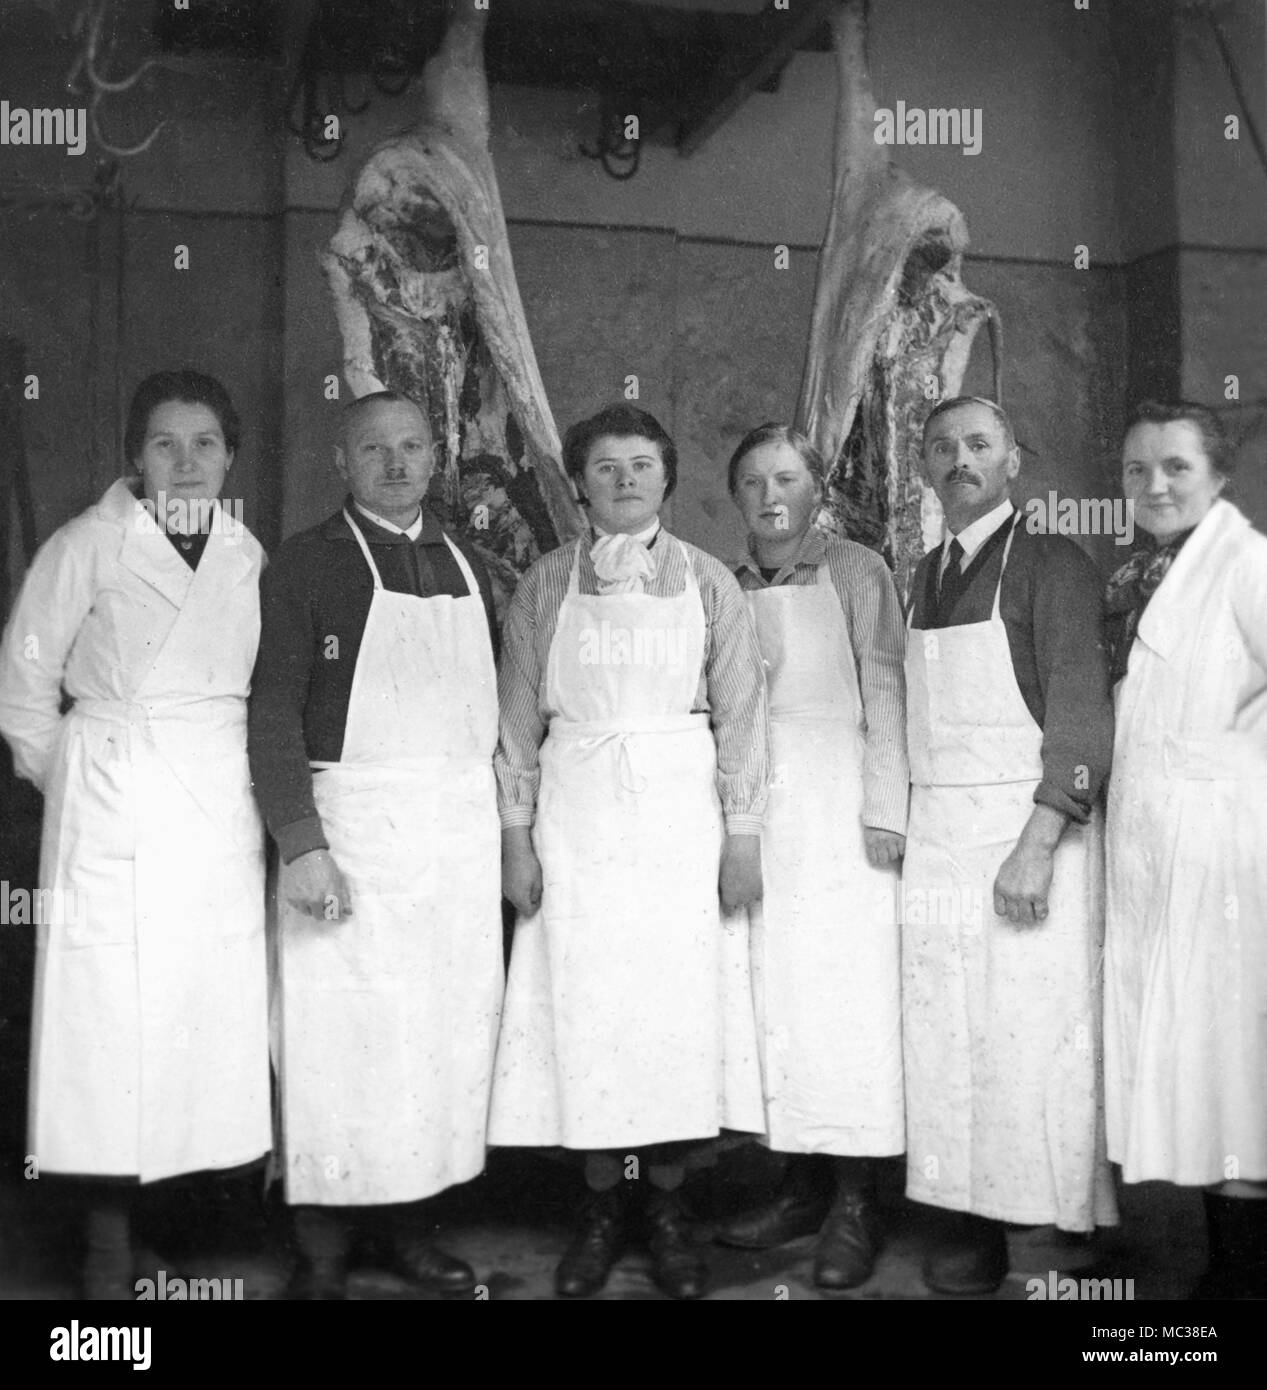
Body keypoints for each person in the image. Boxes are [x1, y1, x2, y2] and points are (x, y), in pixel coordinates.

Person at [0, 369, 270, 1299]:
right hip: (112, 796)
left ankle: (154, 1229)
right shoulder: (87, 545)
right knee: (107, 1025)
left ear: (230, 454)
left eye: (205, 443)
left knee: (191, 1018)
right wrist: (77, 775)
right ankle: (107, 1251)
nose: (187, 461)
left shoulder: (243, 553)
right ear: (135, 457)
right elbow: (22, 687)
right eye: (165, 443)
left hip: (212, 807)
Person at [490, 403, 769, 1299]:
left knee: (671, 1020)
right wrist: (516, 841)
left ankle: (669, 1212)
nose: (623, 481)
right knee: (590, 1015)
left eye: (640, 464)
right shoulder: (542, 585)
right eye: (604, 467)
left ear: (666, 477)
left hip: (678, 824)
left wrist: (742, 837)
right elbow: (513, 727)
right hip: (576, 821)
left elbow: (742, 720)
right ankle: (604, 1207)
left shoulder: (709, 584)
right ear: (578, 481)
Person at [248, 390, 503, 1300]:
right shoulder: (305, 563)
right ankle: (320, 1244)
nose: (395, 464)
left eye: (410, 447)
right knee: (336, 1040)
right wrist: (300, 842)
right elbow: (272, 711)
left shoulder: (469, 563)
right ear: (341, 464)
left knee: (429, 1040)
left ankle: (405, 1229)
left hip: (455, 837)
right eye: (372, 449)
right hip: (350, 830)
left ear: (435, 456)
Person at [902, 395, 1117, 1294]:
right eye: (943, 447)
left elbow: (1080, 712)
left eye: (978, 444)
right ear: (924, 467)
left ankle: (1049, 1228)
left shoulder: (1050, 562)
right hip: (939, 830)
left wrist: (1037, 841)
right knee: (947, 1033)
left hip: (1028, 830)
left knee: (1029, 1034)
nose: (960, 460)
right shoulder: (921, 572)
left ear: (1012, 461)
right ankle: (967, 1221)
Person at [714, 424, 907, 1289]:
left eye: (785, 477)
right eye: (751, 481)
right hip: (761, 812)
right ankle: (797, 1188)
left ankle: (856, 1204)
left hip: (842, 806)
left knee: (847, 1004)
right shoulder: (723, 583)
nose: (768, 494)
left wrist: (885, 810)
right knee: (775, 1001)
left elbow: (887, 689)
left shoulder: (859, 570)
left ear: (815, 485)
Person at [1103, 400, 1267, 1299]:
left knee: (1229, 1066)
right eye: (1137, 471)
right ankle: (1194, 1269)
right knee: (1179, 1062)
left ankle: (1241, 1278)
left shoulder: (1246, 563)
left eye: (1174, 468)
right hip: (1152, 844)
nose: (1154, 485)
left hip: (1227, 851)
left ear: (1217, 476)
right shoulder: (1144, 577)